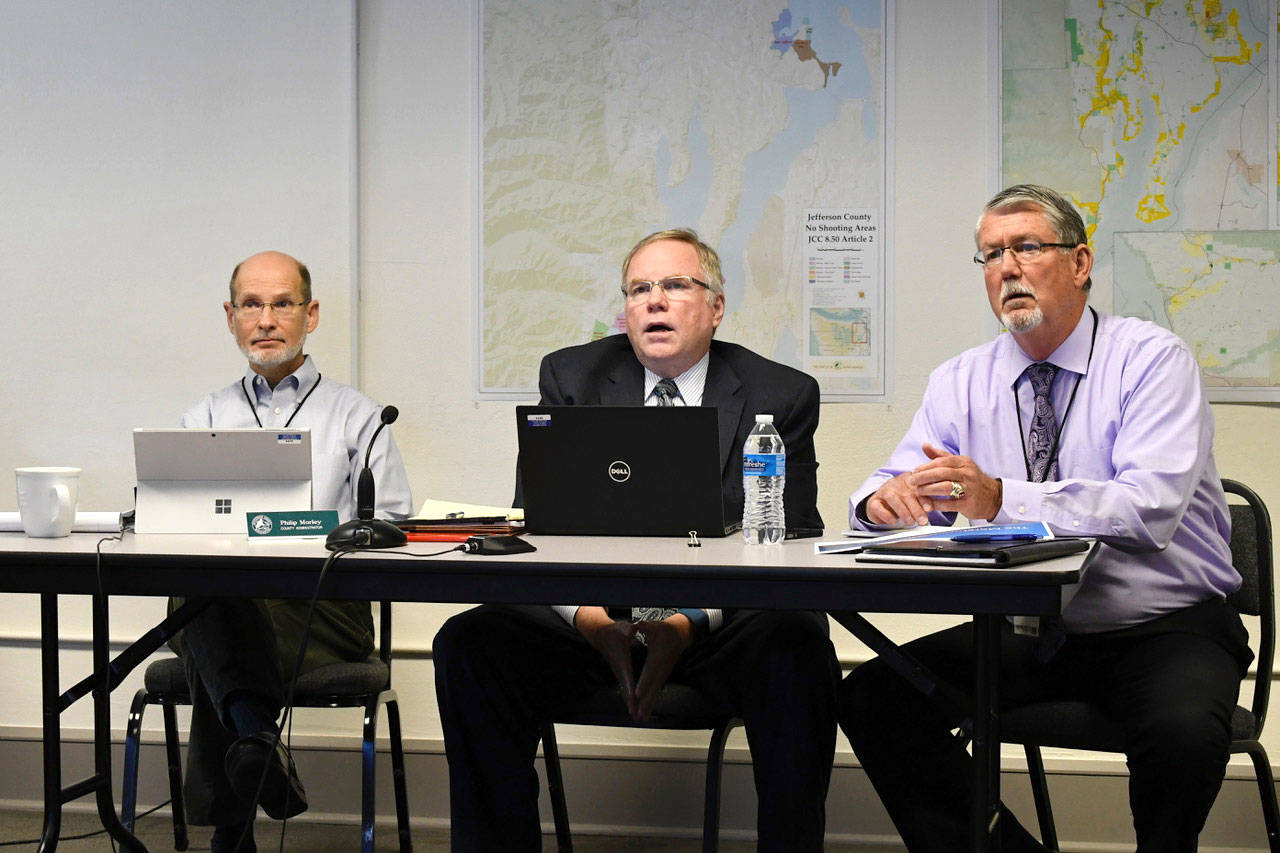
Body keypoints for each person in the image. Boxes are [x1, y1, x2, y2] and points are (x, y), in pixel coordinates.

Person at [838, 185, 1251, 852]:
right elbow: (890, 481)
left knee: (1181, 736)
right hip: (1041, 635)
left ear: (1081, 262)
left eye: (1027, 247)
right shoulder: (962, 379)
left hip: (1169, 628)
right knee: (872, 697)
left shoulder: (1151, 360)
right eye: (991, 255)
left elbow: (1149, 509)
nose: (1007, 268)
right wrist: (878, 503)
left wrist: (1003, 496)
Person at [433, 228, 840, 850]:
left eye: (676, 285)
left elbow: (794, 538)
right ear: (624, 310)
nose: (654, 301)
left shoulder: (779, 394)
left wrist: (686, 623)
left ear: (716, 306)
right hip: (595, 628)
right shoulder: (572, 377)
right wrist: (592, 622)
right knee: (471, 642)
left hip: (718, 632)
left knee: (797, 641)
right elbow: (538, 527)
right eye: (639, 289)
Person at [170, 251, 412, 853]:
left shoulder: (359, 416)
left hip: (324, 608)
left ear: (312, 315)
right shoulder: (203, 416)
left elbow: (394, 522)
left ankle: (236, 818)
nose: (267, 319)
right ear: (230, 317)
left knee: (213, 624)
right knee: (214, 602)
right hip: (220, 601)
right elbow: (172, 521)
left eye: (283, 303)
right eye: (251, 304)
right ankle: (256, 742)